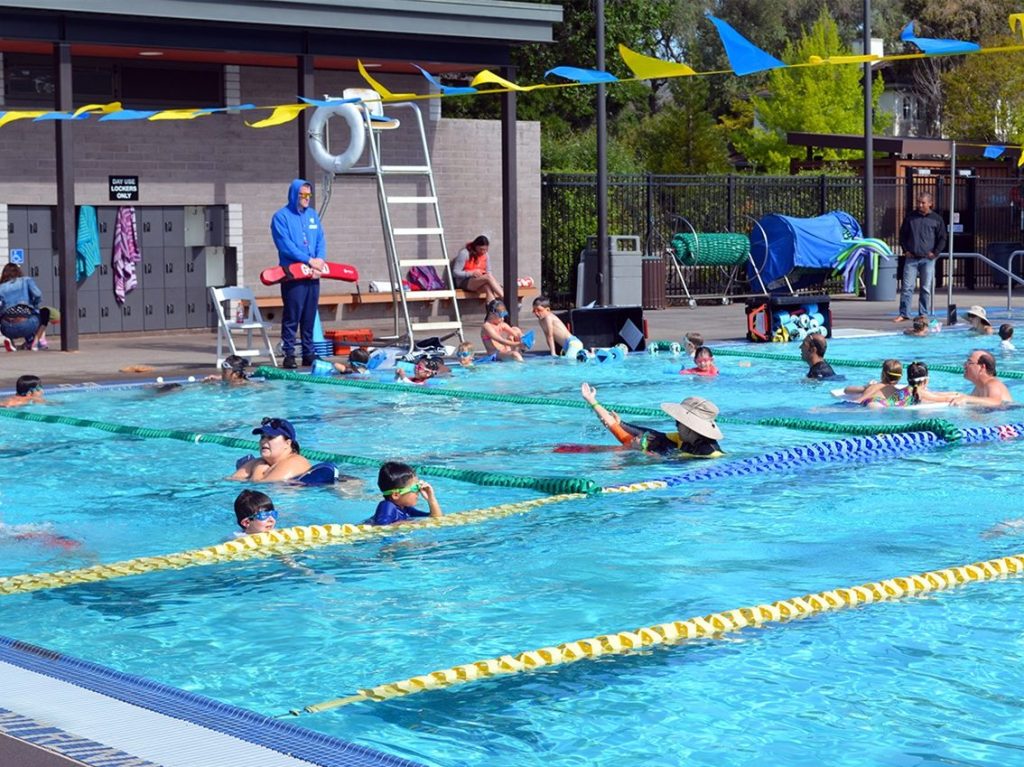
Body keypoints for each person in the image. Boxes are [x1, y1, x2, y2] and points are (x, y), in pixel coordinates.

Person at [580, 382, 724, 458]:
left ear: (690, 427)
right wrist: (621, 423)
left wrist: (641, 451)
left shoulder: (709, 454)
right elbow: (651, 433)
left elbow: (671, 463)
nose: (676, 426)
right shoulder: (684, 439)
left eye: (678, 423)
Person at [270, 179, 327, 369]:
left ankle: (308, 352)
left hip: (312, 273)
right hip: (293, 274)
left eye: (308, 195)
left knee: (309, 314)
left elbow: (320, 239)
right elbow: (286, 246)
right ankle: (289, 353)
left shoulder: (312, 215)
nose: (306, 199)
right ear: (294, 195)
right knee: (293, 314)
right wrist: (308, 260)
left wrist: (319, 260)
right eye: (303, 195)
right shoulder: (281, 217)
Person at [895, 192, 946, 322]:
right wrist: (905, 250)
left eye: (923, 202)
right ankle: (904, 313)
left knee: (925, 288)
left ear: (930, 203)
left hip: (927, 259)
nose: (920, 205)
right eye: (918, 202)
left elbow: (942, 238)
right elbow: (902, 235)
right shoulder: (910, 217)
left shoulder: (937, 219)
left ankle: (923, 314)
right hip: (911, 258)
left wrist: (935, 253)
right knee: (907, 287)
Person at [229, 417, 312, 482]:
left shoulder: (295, 463)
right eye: (262, 437)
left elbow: (263, 489)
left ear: (287, 443)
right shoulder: (261, 462)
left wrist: (257, 471)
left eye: (271, 437)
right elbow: (230, 481)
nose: (263, 441)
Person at [366, 461, 443, 526]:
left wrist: (431, 499)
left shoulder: (406, 509)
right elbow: (380, 528)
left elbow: (435, 518)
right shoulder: (387, 506)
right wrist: (408, 523)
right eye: (415, 488)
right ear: (396, 495)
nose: (419, 491)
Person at [0, 263, 51, 351]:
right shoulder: (26, 280)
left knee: (6, 315)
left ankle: (11, 342)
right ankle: (35, 343)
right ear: (18, 271)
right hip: (27, 325)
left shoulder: (1, 287)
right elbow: (38, 295)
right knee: (44, 312)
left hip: (7, 328)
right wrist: (34, 305)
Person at [451, 235, 503, 303]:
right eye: (481, 249)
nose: (483, 252)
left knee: (487, 287)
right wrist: (471, 273)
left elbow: (489, 270)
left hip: (480, 280)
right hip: (464, 282)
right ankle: (507, 299)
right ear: (476, 246)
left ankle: (492, 310)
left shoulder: (486, 255)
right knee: (488, 277)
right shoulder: (465, 253)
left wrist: (486, 275)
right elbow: (455, 272)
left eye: (486, 249)